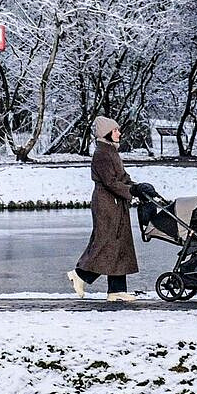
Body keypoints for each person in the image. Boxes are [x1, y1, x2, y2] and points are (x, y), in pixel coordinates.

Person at [68, 116, 148, 302]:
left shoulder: (111, 151)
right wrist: (131, 190)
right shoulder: (102, 154)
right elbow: (110, 182)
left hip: (116, 203)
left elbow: (122, 176)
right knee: (106, 243)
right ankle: (80, 275)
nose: (119, 133)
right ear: (107, 133)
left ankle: (116, 289)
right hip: (106, 204)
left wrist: (137, 186)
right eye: (115, 130)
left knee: (119, 244)